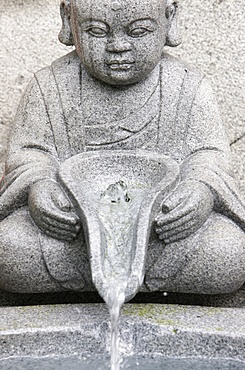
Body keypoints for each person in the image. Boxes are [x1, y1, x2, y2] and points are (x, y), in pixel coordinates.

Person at [0, 0, 244, 294]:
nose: (117, 46)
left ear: (170, 18)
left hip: (159, 236)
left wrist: (199, 191)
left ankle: (119, 278)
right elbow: (30, 154)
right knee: (9, 247)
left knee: (228, 252)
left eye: (138, 31)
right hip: (76, 236)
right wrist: (39, 188)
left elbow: (208, 157)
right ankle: (113, 276)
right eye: (96, 31)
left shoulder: (189, 86)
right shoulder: (49, 85)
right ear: (68, 20)